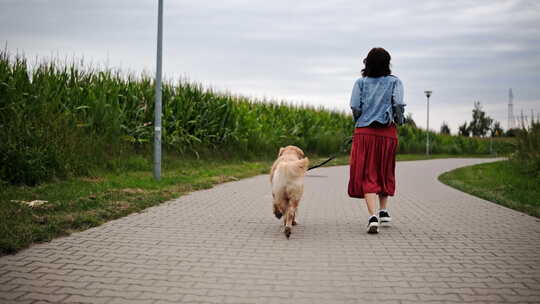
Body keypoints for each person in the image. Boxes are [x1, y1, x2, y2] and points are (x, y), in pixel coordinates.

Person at [348, 47, 405, 233]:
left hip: (364, 133)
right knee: (384, 170)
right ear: (387, 64)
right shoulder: (395, 82)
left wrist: (361, 122)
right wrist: (398, 120)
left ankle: (373, 216)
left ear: (367, 63)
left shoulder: (360, 83)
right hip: (387, 134)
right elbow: (397, 105)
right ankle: (384, 211)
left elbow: (355, 107)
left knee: (367, 173)